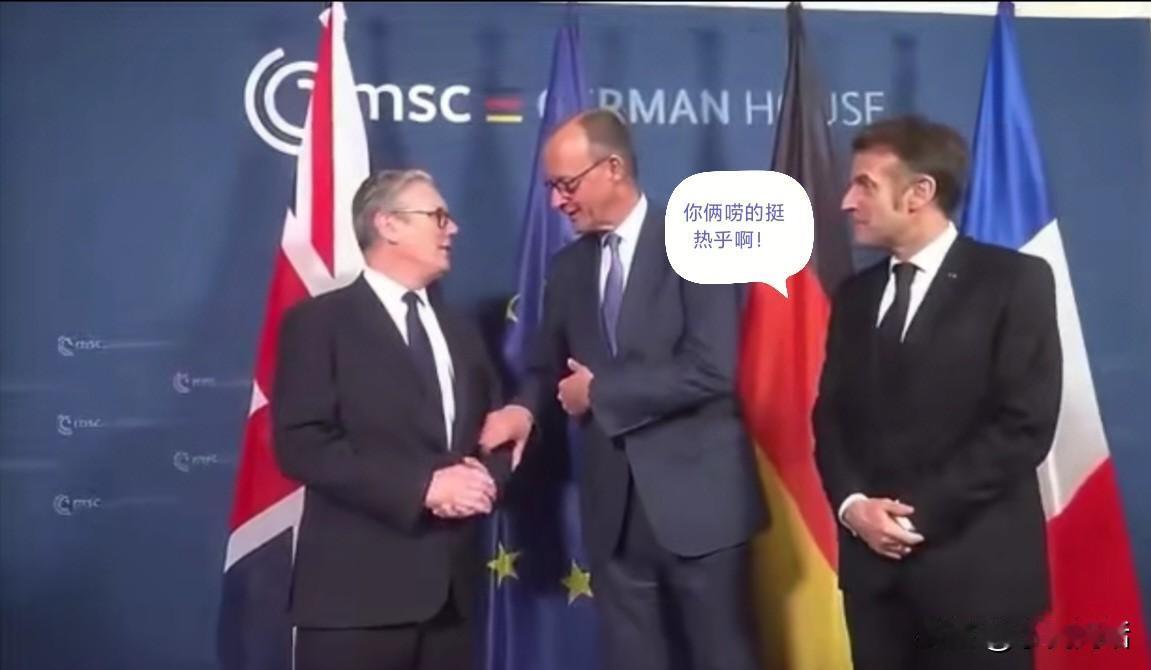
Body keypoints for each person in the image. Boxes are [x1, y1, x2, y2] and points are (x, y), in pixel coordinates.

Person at [481, 108, 768, 670]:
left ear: (612, 168)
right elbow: (546, 368)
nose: (556, 202)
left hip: (700, 507)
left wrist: (600, 393)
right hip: (612, 514)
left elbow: (711, 368)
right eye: (551, 188)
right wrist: (524, 410)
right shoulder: (567, 268)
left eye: (566, 185)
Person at [813, 115, 1062, 670]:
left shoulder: (1014, 282)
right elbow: (830, 419)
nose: (847, 202)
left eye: (865, 185)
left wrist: (910, 518)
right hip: (875, 587)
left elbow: (1023, 425)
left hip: (978, 582)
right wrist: (853, 508)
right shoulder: (854, 296)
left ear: (919, 192)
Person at [271, 169, 513, 670]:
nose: (453, 229)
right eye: (438, 216)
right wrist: (423, 487)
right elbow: (301, 444)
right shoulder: (318, 323)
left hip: (452, 602)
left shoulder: (461, 331)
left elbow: (491, 433)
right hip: (354, 602)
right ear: (387, 224)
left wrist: (483, 479)